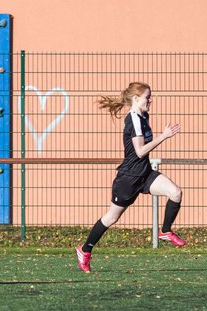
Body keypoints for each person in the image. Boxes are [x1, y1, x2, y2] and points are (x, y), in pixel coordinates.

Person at [76, 82, 185, 273]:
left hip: (145, 174)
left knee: (175, 192)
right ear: (136, 99)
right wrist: (163, 136)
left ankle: (165, 231)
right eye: (147, 97)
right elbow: (140, 151)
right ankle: (84, 250)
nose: (150, 101)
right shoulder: (133, 119)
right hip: (128, 178)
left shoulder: (144, 116)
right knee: (111, 218)